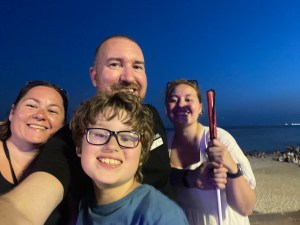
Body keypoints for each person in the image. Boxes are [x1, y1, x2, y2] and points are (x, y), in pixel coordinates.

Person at [0, 35, 171, 225]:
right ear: (94, 76)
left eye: (137, 66)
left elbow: (164, 175)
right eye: (115, 64)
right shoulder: (74, 136)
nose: (129, 77)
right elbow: (25, 205)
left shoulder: (152, 116)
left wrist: (193, 177)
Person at [70, 92, 188, 225]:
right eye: (99, 134)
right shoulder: (81, 208)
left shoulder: (162, 216)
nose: (112, 146)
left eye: (127, 138)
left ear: (141, 156)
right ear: (79, 147)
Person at [165, 79, 256, 225]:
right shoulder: (163, 144)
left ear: (201, 107)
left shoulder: (219, 138)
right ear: (166, 108)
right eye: (174, 100)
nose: (181, 104)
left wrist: (232, 169)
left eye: (188, 99)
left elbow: (246, 207)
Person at [0, 81, 73, 224]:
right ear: (12, 113)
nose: (40, 115)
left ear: (62, 125)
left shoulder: (70, 168)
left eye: (52, 111)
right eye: (31, 105)